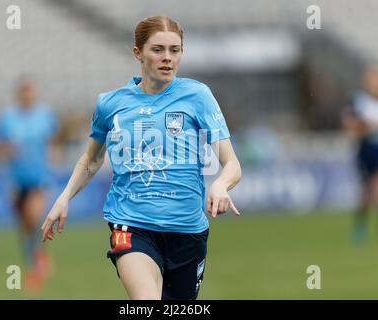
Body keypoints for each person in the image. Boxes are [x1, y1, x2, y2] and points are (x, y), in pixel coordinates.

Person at [41, 16, 242, 300]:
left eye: (175, 50)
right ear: (138, 53)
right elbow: (92, 159)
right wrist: (64, 196)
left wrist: (221, 185)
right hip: (131, 224)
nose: (168, 58)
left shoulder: (198, 96)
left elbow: (232, 164)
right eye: (157, 49)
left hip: (188, 232)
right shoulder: (110, 104)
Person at [0, 75, 58, 293]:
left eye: (31, 92)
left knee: (32, 217)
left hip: (38, 178)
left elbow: (51, 143)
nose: (28, 96)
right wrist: (7, 150)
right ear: (19, 94)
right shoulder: (7, 118)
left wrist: (51, 167)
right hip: (16, 179)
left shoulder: (45, 116)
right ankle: (36, 259)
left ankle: (36, 265)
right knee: (24, 226)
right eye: (25, 92)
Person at [343, 65, 378, 257]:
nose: (376, 84)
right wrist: (366, 126)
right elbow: (349, 125)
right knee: (365, 197)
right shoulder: (358, 101)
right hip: (365, 153)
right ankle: (360, 224)